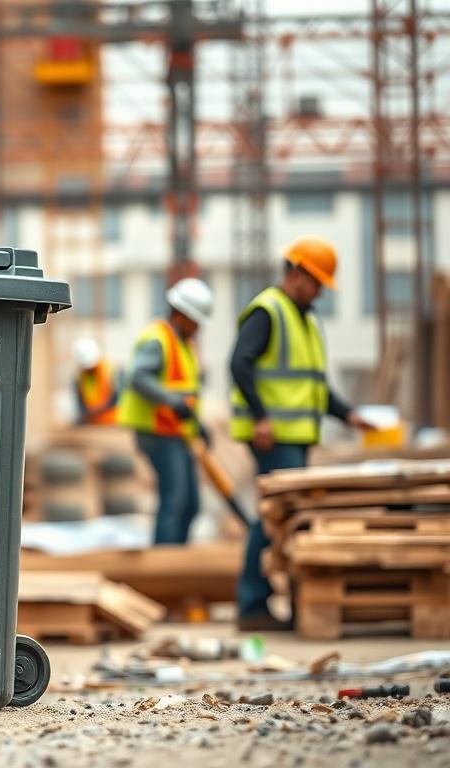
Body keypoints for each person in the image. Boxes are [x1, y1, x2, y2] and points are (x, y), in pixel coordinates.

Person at [230, 236, 373, 632]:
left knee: (288, 519)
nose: (321, 292)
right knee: (274, 518)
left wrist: (349, 415)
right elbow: (239, 364)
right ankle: (252, 605)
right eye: (318, 283)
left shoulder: (304, 319)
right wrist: (261, 417)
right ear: (297, 274)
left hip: (295, 435)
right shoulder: (268, 311)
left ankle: (291, 604)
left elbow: (314, 385)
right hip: (273, 437)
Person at [117, 277, 214, 545]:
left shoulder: (184, 344)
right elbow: (138, 378)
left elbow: (185, 392)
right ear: (181, 314)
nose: (198, 328)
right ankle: (164, 561)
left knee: (191, 504)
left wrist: (198, 426)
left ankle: (177, 565)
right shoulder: (157, 339)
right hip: (156, 431)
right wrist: (173, 402)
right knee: (174, 500)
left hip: (176, 432)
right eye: (196, 321)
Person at [73, 338, 119, 426]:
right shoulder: (80, 376)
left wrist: (100, 408)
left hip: (112, 422)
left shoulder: (110, 370)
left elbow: (118, 397)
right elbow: (80, 403)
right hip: (91, 423)